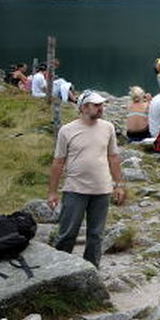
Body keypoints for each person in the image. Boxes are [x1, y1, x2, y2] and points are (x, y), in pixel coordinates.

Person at [46, 91, 126, 267]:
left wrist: (119, 185)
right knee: (67, 233)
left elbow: (113, 157)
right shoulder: (67, 130)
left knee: (96, 235)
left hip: (102, 189)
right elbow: (58, 162)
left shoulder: (108, 127)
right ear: (83, 107)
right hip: (75, 189)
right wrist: (52, 192)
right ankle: (59, 270)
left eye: (101, 105)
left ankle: (91, 269)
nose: (100, 108)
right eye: (96, 105)